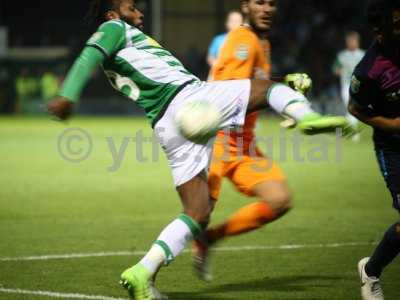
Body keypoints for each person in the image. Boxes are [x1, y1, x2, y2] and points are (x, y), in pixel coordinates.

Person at [47, 0, 349, 299]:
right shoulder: (113, 27)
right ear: (113, 14)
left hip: (167, 125)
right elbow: (89, 54)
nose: (139, 12)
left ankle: (142, 272)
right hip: (188, 100)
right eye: (131, 8)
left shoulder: (127, 47)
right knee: (268, 91)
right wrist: (67, 95)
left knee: (198, 212)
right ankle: (308, 117)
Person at [193, 0, 309, 281]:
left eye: (272, 3)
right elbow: (234, 98)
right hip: (218, 142)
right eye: (259, 2)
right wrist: (283, 99)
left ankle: (209, 239)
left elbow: (253, 84)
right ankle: (147, 271)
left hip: (244, 146)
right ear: (245, 5)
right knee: (195, 216)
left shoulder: (262, 42)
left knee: (279, 200)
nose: (267, 9)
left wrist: (283, 84)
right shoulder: (242, 41)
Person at [348, 0, 400, 299]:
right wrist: (390, 125)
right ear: (380, 31)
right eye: (395, 24)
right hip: (393, 149)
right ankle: (371, 271)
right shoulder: (368, 70)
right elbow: (354, 107)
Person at [333, 31, 365, 140]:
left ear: (357, 42)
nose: (351, 43)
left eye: (353, 41)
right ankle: (351, 132)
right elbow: (335, 69)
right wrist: (340, 71)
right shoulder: (342, 55)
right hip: (346, 84)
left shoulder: (363, 54)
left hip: (359, 86)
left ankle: (347, 131)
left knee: (353, 109)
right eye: (349, 41)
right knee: (351, 108)